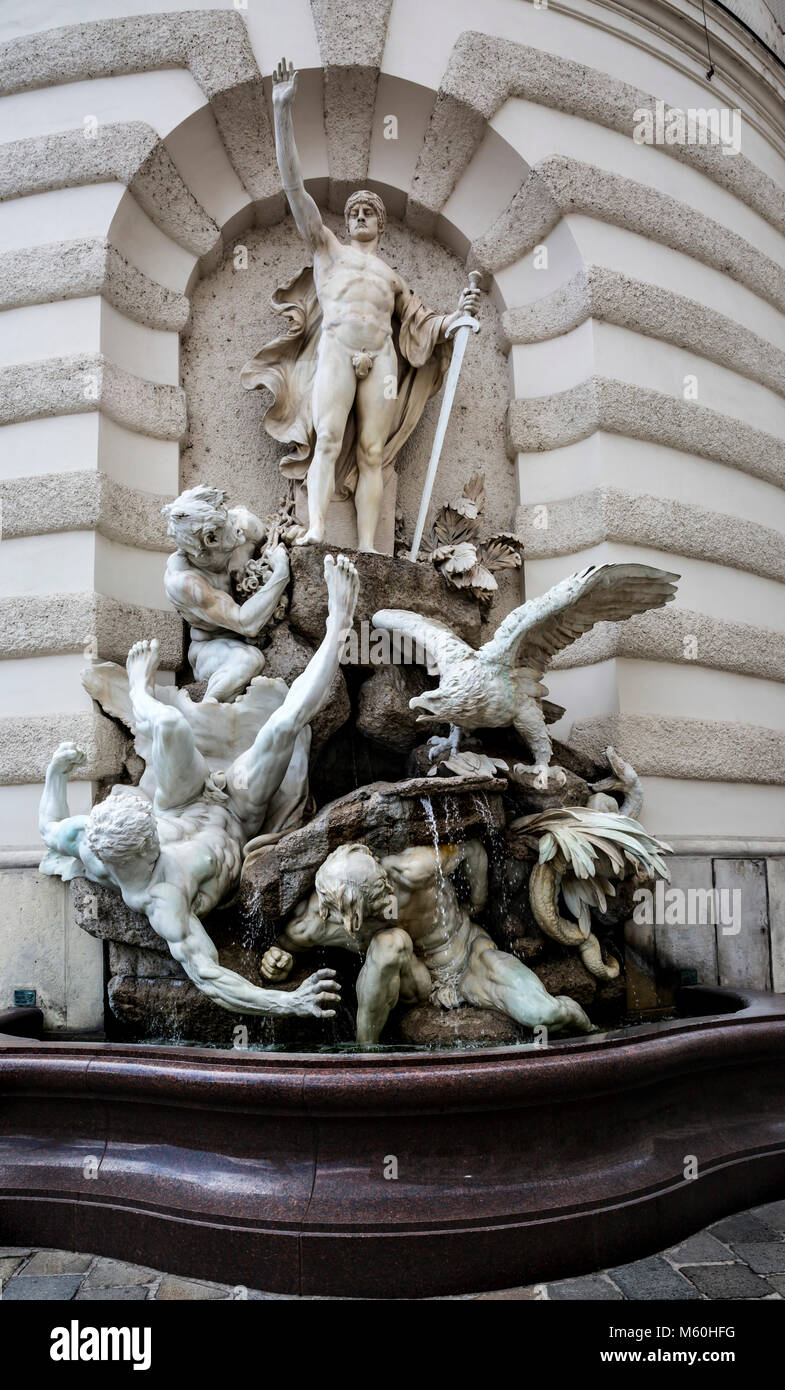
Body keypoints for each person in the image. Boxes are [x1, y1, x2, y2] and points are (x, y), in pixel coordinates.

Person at [39, 555, 360, 1019]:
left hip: (181, 800)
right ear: (146, 848)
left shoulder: (91, 840)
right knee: (283, 725)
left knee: (168, 723)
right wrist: (288, 1003)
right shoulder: (164, 901)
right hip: (239, 813)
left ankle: (140, 692)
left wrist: (54, 772)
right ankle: (338, 626)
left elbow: (49, 828)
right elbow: (212, 978)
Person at [241, 57, 480, 553]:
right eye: (355, 211)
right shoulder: (328, 249)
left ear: (381, 225)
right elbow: (294, 190)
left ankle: (371, 549)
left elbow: (421, 322)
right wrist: (282, 112)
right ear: (346, 222)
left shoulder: (392, 277)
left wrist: (457, 317)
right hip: (337, 348)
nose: (362, 215)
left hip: (383, 361)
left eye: (370, 211)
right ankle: (317, 531)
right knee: (327, 441)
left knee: (374, 453)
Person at [261, 840, 595, 1043]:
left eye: (377, 901)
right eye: (363, 914)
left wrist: (477, 903)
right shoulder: (324, 917)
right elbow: (283, 947)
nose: (384, 906)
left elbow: (473, 851)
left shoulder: (415, 868)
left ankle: (595, 1032)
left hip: (467, 957)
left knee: (544, 1013)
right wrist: (276, 960)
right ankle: (365, 1055)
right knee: (390, 942)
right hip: (416, 982)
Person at [162, 485, 290, 703]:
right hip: (213, 648)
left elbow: (278, 535)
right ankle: (204, 719)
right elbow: (246, 624)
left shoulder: (244, 526)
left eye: (226, 512)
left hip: (262, 631)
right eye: (227, 521)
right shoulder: (186, 582)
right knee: (248, 661)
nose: (234, 520)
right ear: (211, 539)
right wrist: (281, 573)